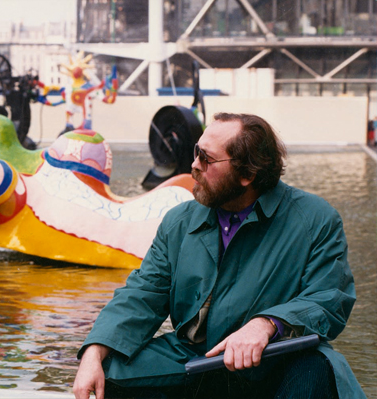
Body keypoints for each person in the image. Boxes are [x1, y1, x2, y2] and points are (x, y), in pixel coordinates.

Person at [73, 113, 365, 399]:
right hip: (197, 359)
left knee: (316, 368)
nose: (193, 165)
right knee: (108, 374)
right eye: (195, 152)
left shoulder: (316, 219)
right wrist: (94, 351)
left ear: (247, 175)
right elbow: (142, 293)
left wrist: (266, 325)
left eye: (206, 158)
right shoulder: (178, 222)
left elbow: (329, 299)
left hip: (277, 361)